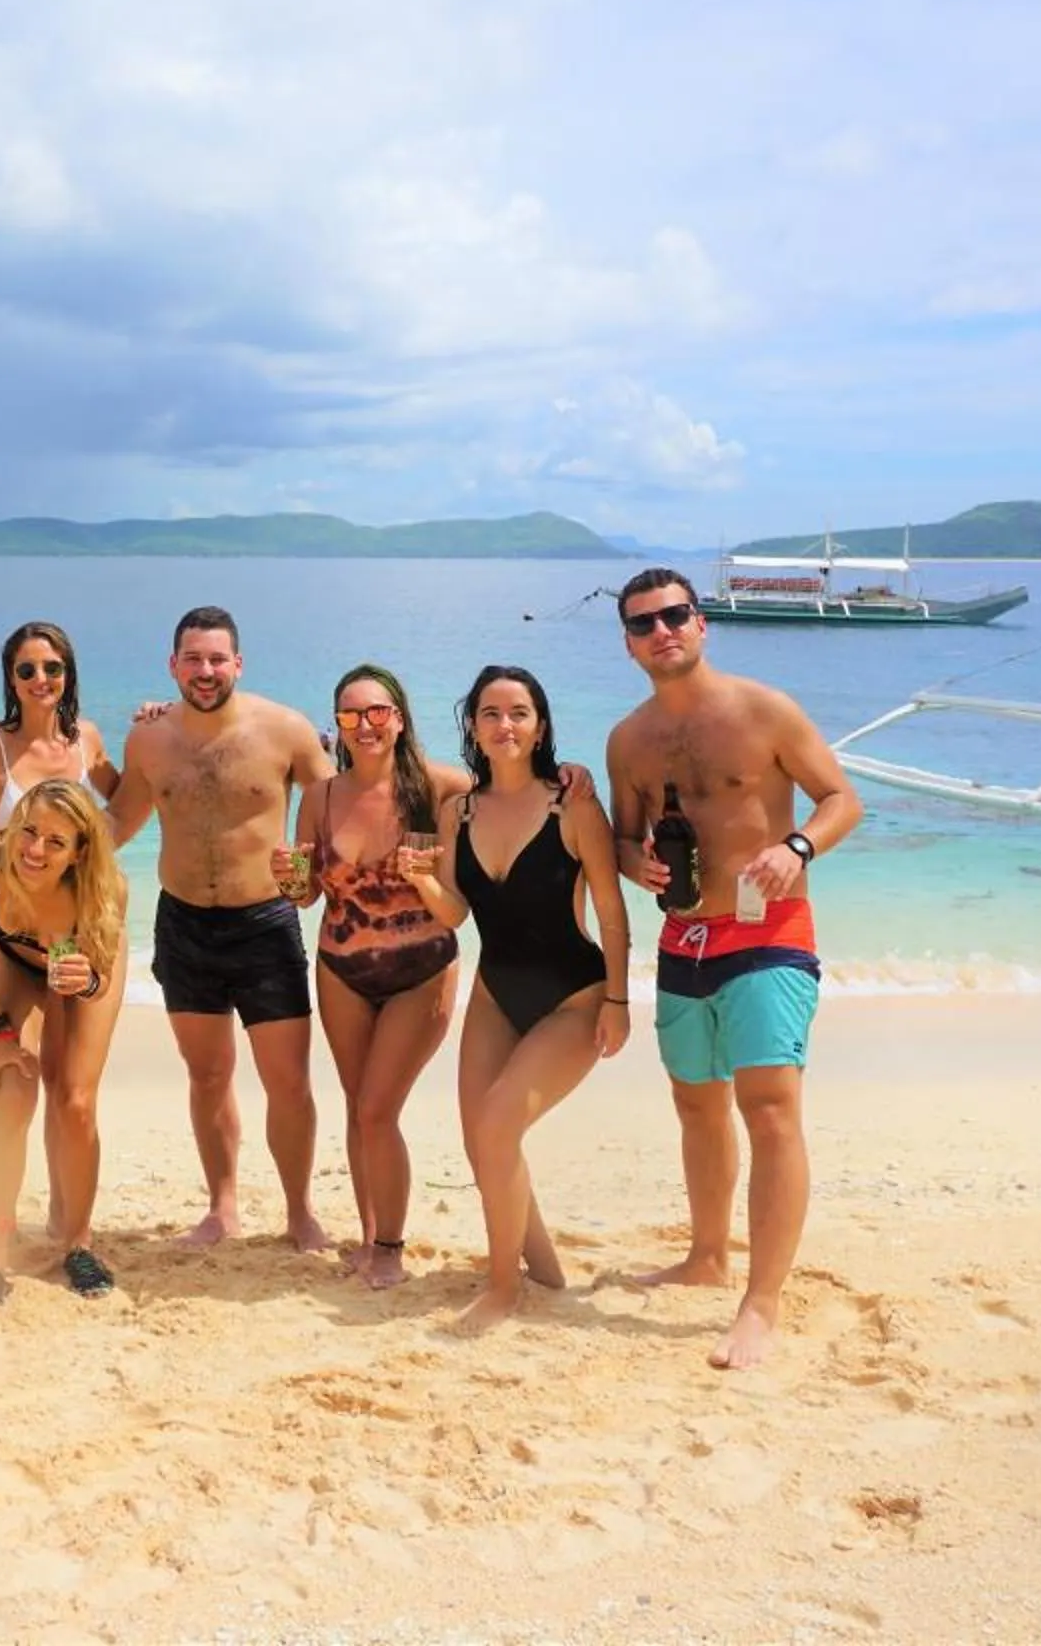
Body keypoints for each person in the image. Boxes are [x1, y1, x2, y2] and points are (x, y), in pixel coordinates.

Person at [604, 566, 862, 1370]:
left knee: (771, 1106)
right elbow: (622, 838)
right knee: (695, 1105)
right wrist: (636, 865)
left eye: (676, 615)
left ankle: (762, 1302)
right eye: (645, 623)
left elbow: (841, 800)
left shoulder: (764, 711)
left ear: (702, 623)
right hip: (685, 940)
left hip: (770, 931)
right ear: (629, 643)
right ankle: (707, 1255)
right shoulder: (628, 740)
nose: (663, 632)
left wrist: (796, 848)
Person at [399, 665, 632, 1332]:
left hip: (575, 995)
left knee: (498, 1126)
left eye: (519, 713)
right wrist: (418, 880)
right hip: (496, 990)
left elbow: (612, 913)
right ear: (473, 725)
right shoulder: (457, 811)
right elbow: (452, 915)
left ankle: (505, 1288)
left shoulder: (573, 803)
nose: (505, 725)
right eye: (491, 713)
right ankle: (547, 1273)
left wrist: (618, 1000)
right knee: (484, 1140)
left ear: (541, 726)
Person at [107, 606, 336, 1252]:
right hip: (183, 925)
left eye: (217, 659)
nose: (205, 671)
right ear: (173, 665)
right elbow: (119, 822)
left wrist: (315, 872)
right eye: (193, 659)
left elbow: (337, 809)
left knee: (288, 1082)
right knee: (207, 1076)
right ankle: (222, 1208)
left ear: (238, 663)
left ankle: (299, 1212)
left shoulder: (287, 730)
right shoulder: (148, 739)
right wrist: (39, 844)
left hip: (265, 924)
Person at [281, 664, 468, 1289]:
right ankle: (367, 1235)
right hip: (341, 970)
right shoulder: (321, 797)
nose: (365, 726)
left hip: (421, 970)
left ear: (400, 717)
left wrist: (566, 781)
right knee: (360, 1108)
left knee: (379, 1109)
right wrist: (287, 879)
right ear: (335, 725)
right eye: (350, 715)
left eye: (377, 712)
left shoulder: (440, 786)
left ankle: (389, 1245)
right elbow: (306, 897)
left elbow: (463, 897)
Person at [0, 778, 128, 1305]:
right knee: (12, 1092)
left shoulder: (101, 889)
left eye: (55, 842)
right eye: (29, 831)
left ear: (78, 853)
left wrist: (86, 980)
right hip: (13, 960)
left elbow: (99, 973)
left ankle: (78, 1244)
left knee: (74, 1102)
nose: (34, 849)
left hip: (84, 968)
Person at [0, 621, 118, 836]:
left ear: (67, 673)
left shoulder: (87, 739)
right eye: (27, 670)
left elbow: (127, 806)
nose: (40, 679)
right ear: (11, 678)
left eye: (52, 668)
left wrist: (159, 715)